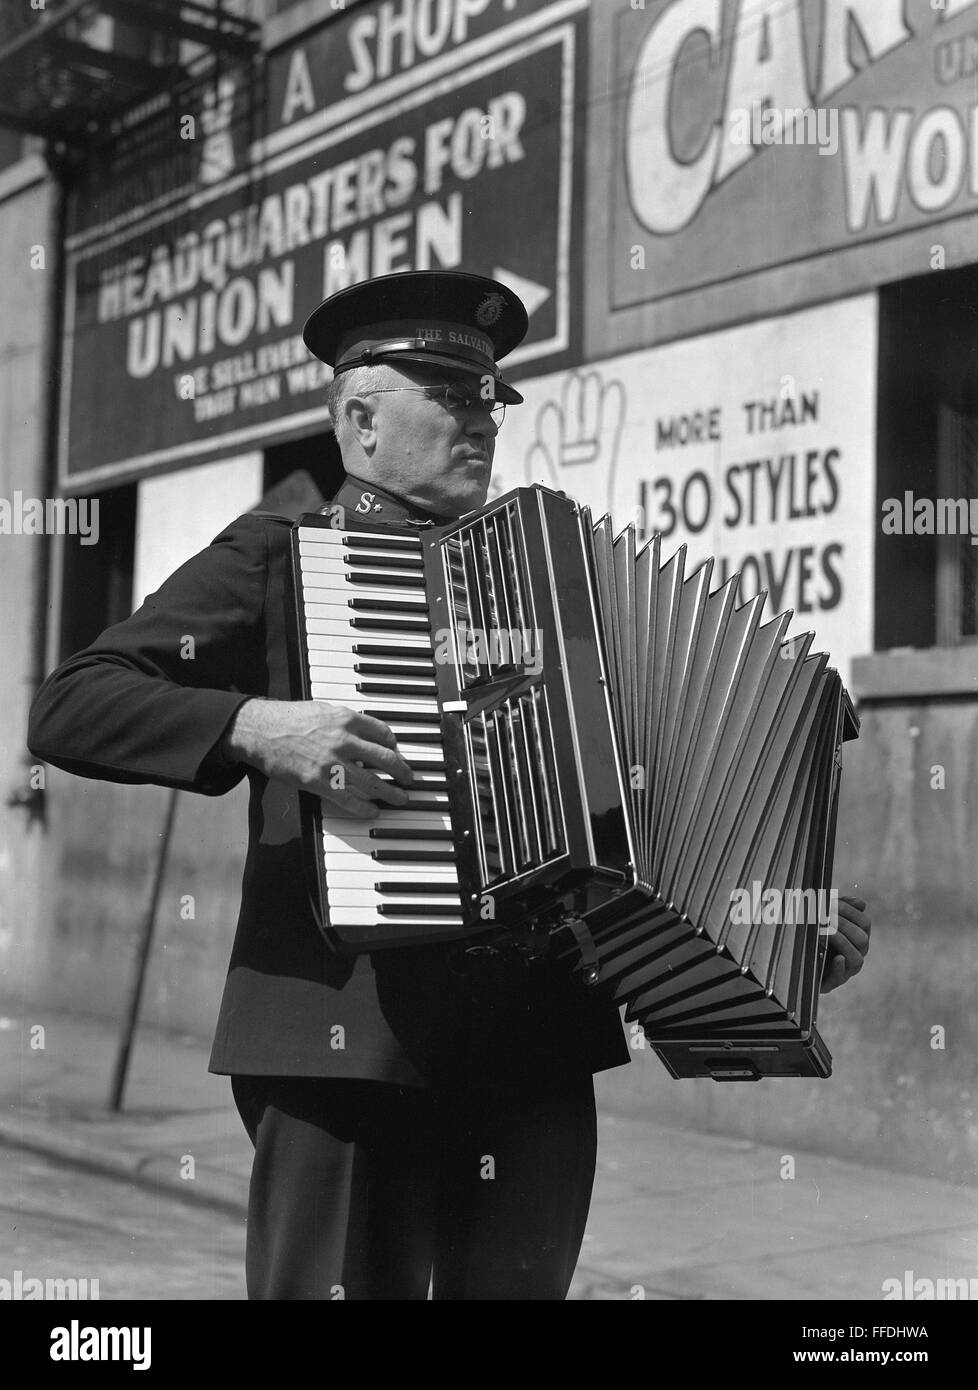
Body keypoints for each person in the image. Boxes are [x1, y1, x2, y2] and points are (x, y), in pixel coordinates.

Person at [27, 270, 871, 1300]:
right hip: (349, 1048)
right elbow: (76, 701)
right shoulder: (287, 551)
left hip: (534, 1055)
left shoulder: (559, 584)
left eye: (490, 401)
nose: (482, 420)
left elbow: (642, 819)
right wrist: (258, 726)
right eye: (451, 395)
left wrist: (776, 926)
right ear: (359, 420)